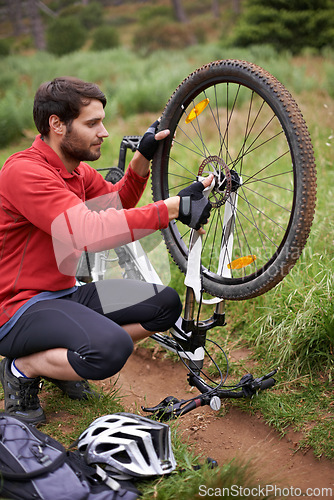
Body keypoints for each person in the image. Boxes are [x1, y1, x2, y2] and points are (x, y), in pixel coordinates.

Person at [0, 77, 212, 426]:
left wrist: (143, 156)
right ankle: (22, 368)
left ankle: (62, 361)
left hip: (65, 294)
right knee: (111, 348)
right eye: (92, 123)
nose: (105, 132)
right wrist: (172, 208)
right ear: (57, 124)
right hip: (18, 308)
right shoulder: (25, 172)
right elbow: (88, 232)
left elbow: (115, 202)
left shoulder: (76, 171)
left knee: (164, 305)